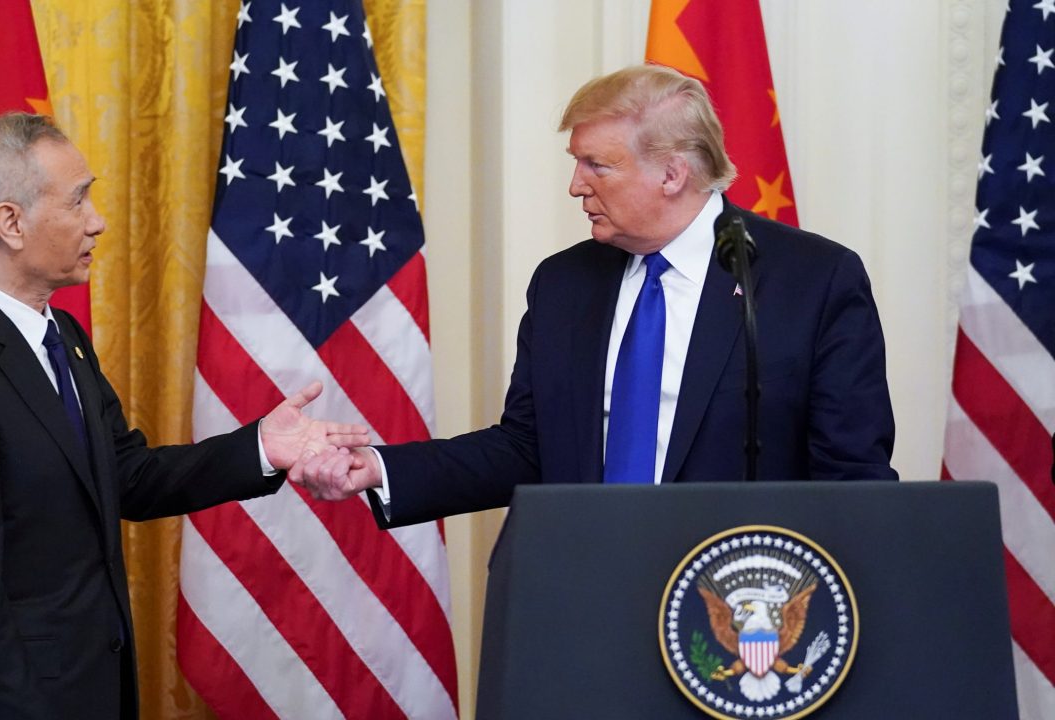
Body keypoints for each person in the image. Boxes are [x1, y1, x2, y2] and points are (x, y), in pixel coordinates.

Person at [0, 112, 368, 719]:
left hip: (92, 689)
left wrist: (260, 449)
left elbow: (126, 476)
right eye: (79, 200)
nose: (98, 221)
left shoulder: (62, 333)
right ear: (11, 222)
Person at [291, 63, 897, 527]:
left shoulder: (811, 281)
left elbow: (852, 479)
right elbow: (527, 448)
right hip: (579, 594)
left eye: (596, 166)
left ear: (671, 173)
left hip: (738, 611)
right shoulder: (564, 284)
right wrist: (378, 468)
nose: (576, 185)